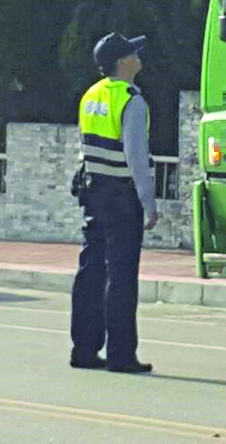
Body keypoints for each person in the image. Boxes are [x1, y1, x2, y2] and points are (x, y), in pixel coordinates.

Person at [69, 32, 158, 373]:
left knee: (91, 270)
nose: (139, 56)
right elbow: (136, 156)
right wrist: (148, 203)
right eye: (134, 53)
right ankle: (122, 355)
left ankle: (84, 349)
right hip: (121, 195)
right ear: (123, 62)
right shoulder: (132, 100)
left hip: (94, 192)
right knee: (121, 275)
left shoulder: (91, 95)